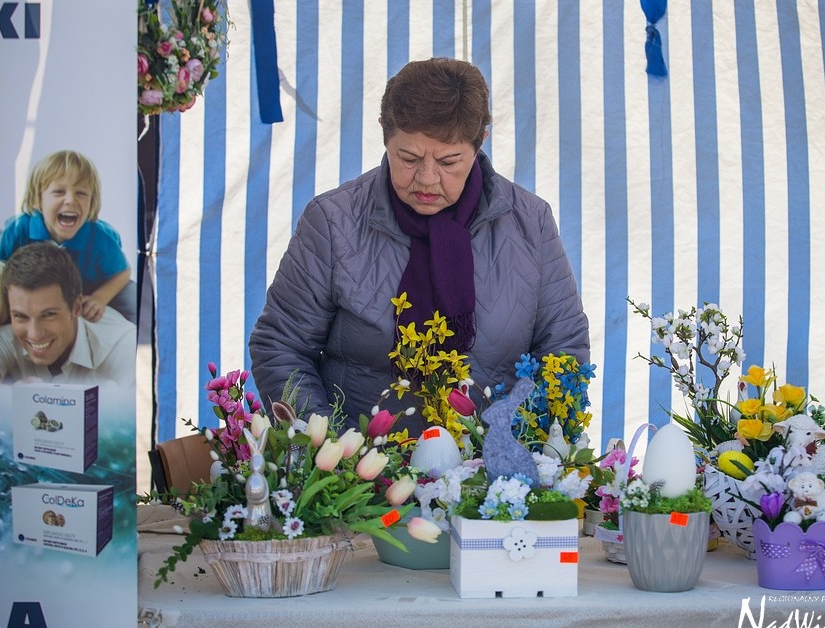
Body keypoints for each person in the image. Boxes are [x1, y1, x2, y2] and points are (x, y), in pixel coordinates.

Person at [250, 57, 589, 427]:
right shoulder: (333, 222)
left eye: (449, 162)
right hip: (360, 458)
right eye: (409, 158)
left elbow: (564, 349)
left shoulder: (530, 223)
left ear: (480, 143)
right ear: (386, 139)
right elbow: (281, 346)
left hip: (493, 459)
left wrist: (524, 446)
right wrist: (330, 445)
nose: (427, 178)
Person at [0, 150, 136, 323]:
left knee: (133, 300)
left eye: (81, 193)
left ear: (92, 201)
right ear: (38, 200)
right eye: (59, 192)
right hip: (42, 287)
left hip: (93, 283)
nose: (70, 200)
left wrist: (100, 298)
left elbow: (122, 272)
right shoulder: (18, 230)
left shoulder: (99, 237)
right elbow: (0, 271)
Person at [0, 242, 135, 385]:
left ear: (76, 307)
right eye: (21, 316)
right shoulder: (4, 337)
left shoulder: (122, 342)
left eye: (48, 315)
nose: (35, 334)